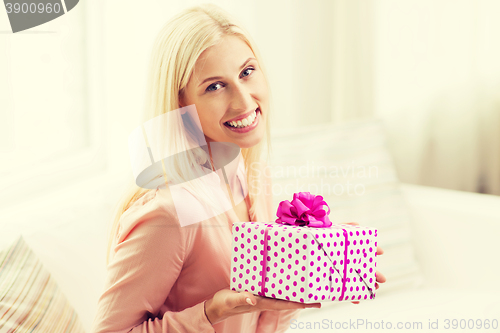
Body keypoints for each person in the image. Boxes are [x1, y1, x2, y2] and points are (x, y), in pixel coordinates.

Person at [90, 3, 386, 333]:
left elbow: (260, 319)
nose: (244, 101)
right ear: (180, 105)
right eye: (214, 86)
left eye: (247, 72)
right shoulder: (169, 214)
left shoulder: (251, 176)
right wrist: (211, 312)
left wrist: (301, 272)